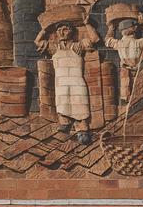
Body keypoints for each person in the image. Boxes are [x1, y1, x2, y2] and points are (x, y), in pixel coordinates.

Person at [34, 14, 99, 144]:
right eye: (59, 30)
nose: (62, 32)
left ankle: (83, 130)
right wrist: (45, 29)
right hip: (61, 82)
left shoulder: (77, 46)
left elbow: (95, 39)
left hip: (77, 80)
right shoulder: (54, 48)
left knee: (80, 103)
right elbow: (37, 42)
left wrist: (87, 24)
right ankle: (65, 123)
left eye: (65, 29)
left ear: (71, 31)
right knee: (63, 102)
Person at [105, 13, 143, 105]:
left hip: (125, 73)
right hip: (137, 72)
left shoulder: (119, 43)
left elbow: (107, 40)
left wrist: (111, 28)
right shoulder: (139, 42)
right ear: (133, 29)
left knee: (126, 97)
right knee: (139, 96)